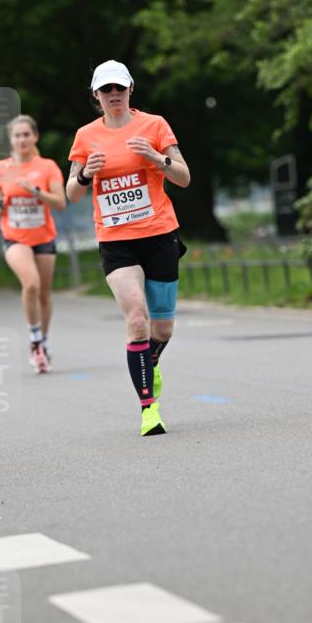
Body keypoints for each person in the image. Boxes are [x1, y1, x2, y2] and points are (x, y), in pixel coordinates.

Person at [66, 60, 190, 436]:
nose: (114, 95)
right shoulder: (86, 136)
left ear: (130, 89)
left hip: (159, 234)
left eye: (120, 88)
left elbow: (183, 177)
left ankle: (149, 364)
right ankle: (148, 409)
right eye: (107, 90)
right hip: (116, 241)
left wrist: (157, 158)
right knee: (137, 318)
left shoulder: (154, 125)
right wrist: (86, 173)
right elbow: (70, 192)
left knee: (163, 328)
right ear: (96, 96)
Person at [0, 115, 66, 373]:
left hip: (44, 237)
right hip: (14, 237)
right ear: (10, 140)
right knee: (30, 284)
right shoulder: (1, 167)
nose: (22, 139)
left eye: (26, 134)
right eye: (17, 135)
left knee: (43, 293)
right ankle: (34, 343)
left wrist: (35, 191)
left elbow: (60, 203)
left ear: (35, 137)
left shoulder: (47, 167)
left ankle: (43, 342)